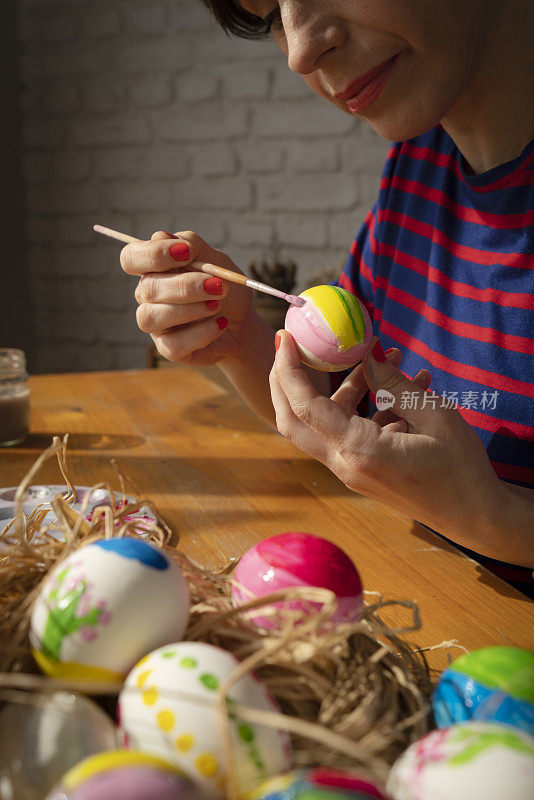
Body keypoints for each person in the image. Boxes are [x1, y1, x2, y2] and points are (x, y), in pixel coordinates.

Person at [120, 0, 534, 597]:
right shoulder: (417, 167)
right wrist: (241, 342)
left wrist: (494, 520)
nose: (297, 51)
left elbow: (465, 502)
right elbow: (356, 412)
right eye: (269, 20)